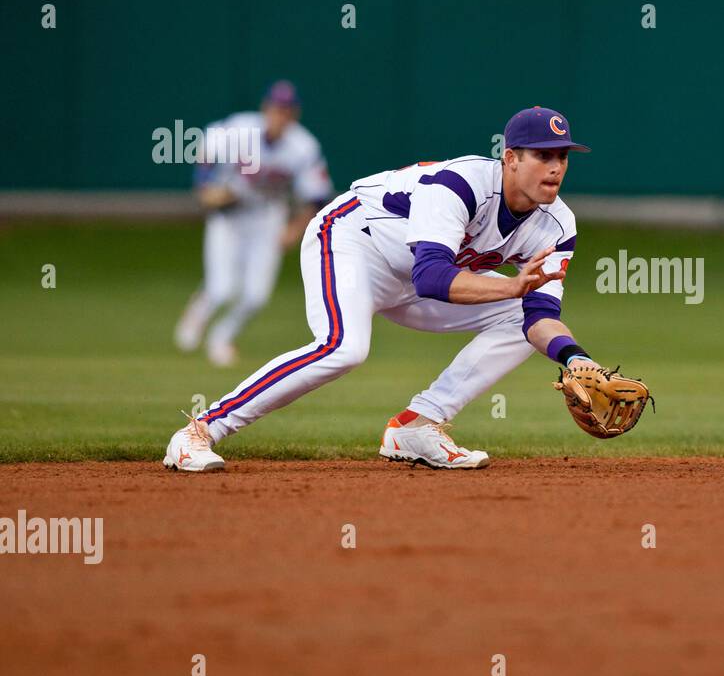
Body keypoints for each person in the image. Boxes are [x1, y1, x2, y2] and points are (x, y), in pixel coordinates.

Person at [164, 106, 604, 472]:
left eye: (563, 157)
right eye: (543, 155)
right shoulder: (461, 185)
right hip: (353, 241)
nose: (556, 167)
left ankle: (417, 425)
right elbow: (431, 277)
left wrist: (575, 359)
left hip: (414, 276)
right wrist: (510, 287)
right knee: (343, 348)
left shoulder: (558, 225)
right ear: (510, 157)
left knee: (518, 320)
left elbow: (539, 315)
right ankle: (199, 432)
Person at [174, 80, 334, 367]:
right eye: (275, 109)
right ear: (266, 108)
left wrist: (295, 230)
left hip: (267, 218)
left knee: (256, 296)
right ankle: (198, 313)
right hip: (229, 214)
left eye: (286, 110)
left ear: (294, 114)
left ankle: (221, 338)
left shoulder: (303, 146)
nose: (279, 116)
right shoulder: (240, 128)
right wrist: (204, 187)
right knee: (222, 288)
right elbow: (206, 150)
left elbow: (317, 196)